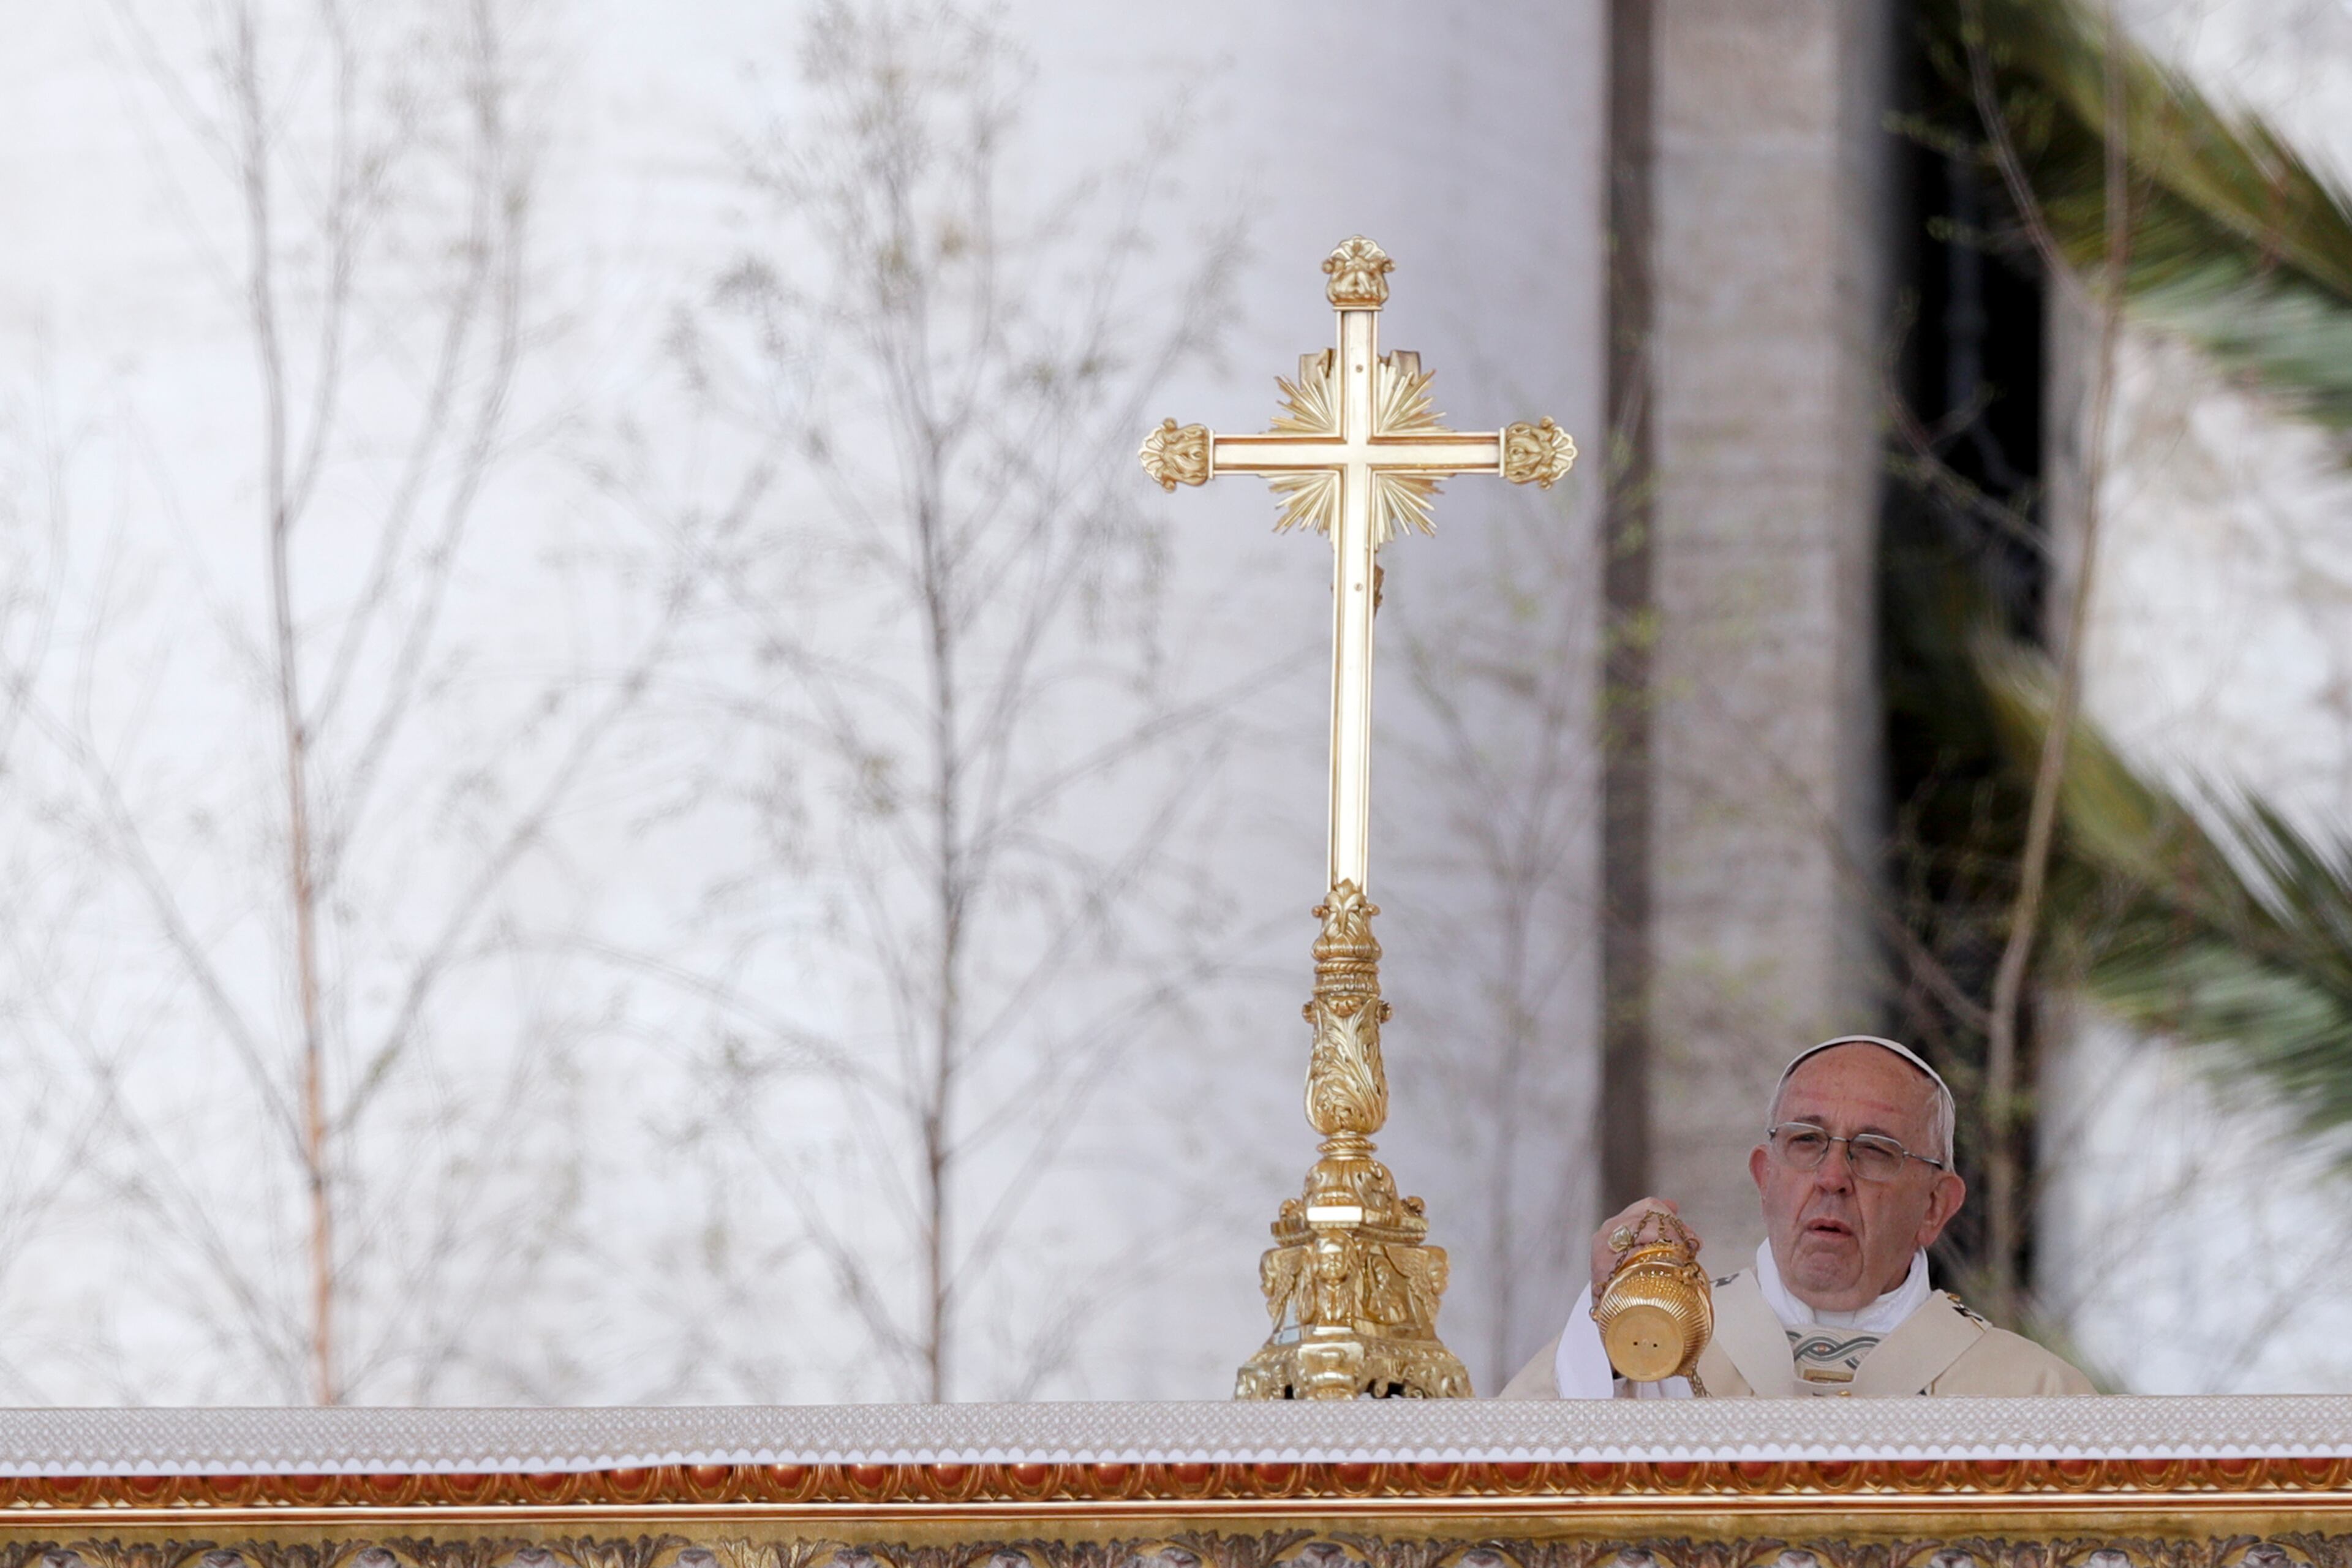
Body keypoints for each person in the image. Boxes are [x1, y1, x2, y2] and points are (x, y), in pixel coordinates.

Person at [1498, 1035, 2095, 1398]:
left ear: (1935, 1206)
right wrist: (1607, 1318)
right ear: (1766, 1176)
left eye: (1875, 1150)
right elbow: (1495, 1506)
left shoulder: (2032, 1393)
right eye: (1807, 1142)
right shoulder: (1648, 1359)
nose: (1833, 1177)